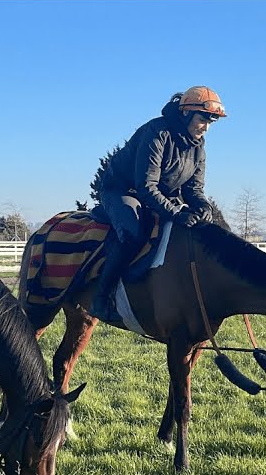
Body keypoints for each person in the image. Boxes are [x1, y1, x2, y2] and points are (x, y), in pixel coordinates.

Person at [89, 86, 227, 318]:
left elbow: (194, 189)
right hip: (122, 190)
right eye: (203, 119)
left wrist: (204, 207)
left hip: (157, 196)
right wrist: (176, 212)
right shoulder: (157, 132)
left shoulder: (198, 146)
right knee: (133, 233)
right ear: (186, 113)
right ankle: (101, 298)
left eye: (211, 122)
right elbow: (146, 186)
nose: (206, 128)